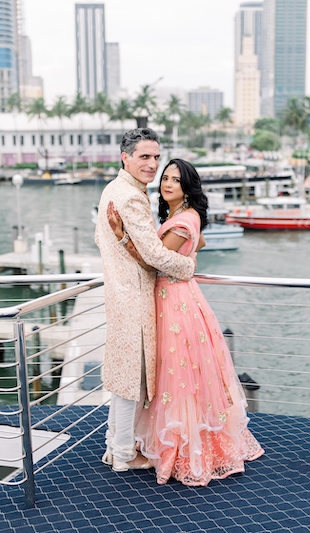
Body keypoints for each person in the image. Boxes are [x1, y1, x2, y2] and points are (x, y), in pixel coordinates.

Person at [108, 158, 264, 486]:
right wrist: (189, 256)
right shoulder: (184, 217)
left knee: (175, 375)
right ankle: (175, 439)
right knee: (182, 376)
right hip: (181, 298)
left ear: (187, 187)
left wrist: (123, 238)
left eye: (175, 181)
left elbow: (155, 262)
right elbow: (198, 243)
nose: (167, 184)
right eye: (165, 178)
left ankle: (180, 447)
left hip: (174, 303)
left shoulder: (184, 219)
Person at [94, 128, 197, 473]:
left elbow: (102, 239)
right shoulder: (132, 197)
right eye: (145, 157)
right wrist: (188, 265)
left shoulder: (114, 189)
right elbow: (155, 254)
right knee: (131, 383)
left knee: (126, 377)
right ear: (126, 157)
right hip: (134, 298)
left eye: (156, 157)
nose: (153, 164)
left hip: (120, 294)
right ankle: (123, 454)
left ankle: (115, 446)